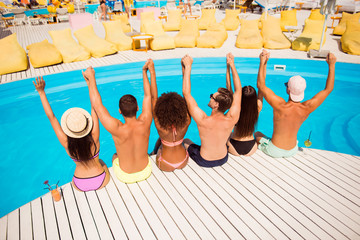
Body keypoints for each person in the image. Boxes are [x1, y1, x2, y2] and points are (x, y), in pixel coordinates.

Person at [33, 76, 110, 192]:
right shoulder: (94, 136)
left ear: (68, 129)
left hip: (79, 183)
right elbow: (94, 108)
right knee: (102, 161)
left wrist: (41, 92)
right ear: (86, 125)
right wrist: (90, 85)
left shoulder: (66, 142)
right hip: (100, 179)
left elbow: (51, 117)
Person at [255, 50, 336, 158]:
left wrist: (263, 62)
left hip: (275, 150)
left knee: (257, 134)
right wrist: (332, 65)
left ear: (288, 90)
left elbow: (261, 85)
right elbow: (328, 89)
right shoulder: (307, 107)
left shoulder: (279, 105)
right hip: (292, 150)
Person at [83, 62, 153, 184]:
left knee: (115, 156)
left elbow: (97, 106)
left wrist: (91, 80)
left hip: (125, 176)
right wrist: (144, 72)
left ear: (119, 111)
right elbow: (148, 96)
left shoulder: (116, 128)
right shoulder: (145, 121)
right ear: (137, 108)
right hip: (146, 171)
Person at [182, 53, 242, 167]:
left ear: (216, 105)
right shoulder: (232, 118)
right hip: (224, 158)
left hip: (204, 160)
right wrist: (232, 65)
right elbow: (238, 91)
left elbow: (187, 94)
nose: (210, 97)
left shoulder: (203, 119)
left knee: (186, 141)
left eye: (212, 97)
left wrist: (188, 66)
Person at [148, 59, 192, 172]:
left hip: (164, 162)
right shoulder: (187, 121)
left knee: (161, 141)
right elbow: (187, 95)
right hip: (184, 160)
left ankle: (153, 151)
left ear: (161, 109)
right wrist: (184, 70)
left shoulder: (159, 125)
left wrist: (152, 72)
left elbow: (153, 98)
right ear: (181, 108)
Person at [227, 79, 263, 156]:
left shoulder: (235, 107)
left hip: (234, 145)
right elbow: (261, 87)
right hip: (251, 146)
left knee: (226, 134)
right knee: (257, 133)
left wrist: (228, 68)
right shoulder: (258, 107)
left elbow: (228, 86)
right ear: (254, 97)